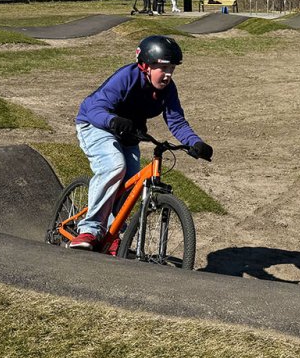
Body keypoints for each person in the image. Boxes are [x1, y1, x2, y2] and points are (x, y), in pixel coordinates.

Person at [71, 35, 213, 253]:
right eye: (162, 68)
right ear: (145, 65)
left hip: (129, 134)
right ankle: (89, 229)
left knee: (132, 183)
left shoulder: (168, 90)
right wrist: (113, 120)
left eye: (172, 69)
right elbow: (95, 109)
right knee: (114, 166)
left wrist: (195, 143)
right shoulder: (126, 77)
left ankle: (112, 233)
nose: (167, 75)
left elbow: (176, 121)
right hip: (96, 126)